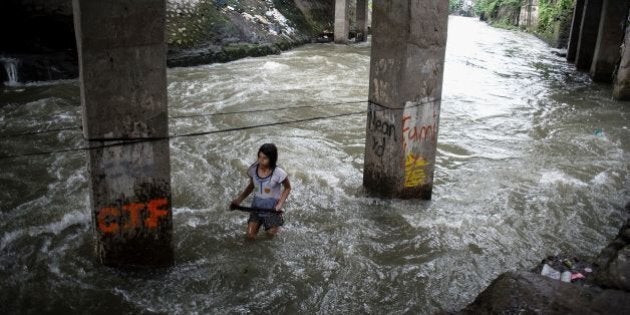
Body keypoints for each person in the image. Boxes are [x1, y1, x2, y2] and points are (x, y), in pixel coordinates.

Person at [230, 143, 291, 240]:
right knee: (250, 236)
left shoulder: (279, 173)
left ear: (272, 159)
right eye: (259, 157)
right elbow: (251, 186)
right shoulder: (253, 169)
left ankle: (280, 228)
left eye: (264, 158)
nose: (260, 161)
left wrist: (279, 205)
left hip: (271, 210)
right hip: (256, 208)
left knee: (271, 234)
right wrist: (238, 200)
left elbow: (287, 188)